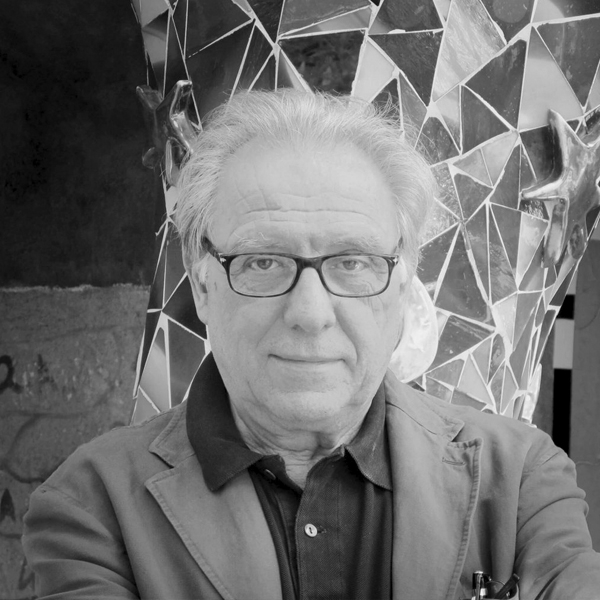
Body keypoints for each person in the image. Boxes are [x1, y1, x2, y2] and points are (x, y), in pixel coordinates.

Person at [23, 90, 600, 600]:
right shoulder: (94, 503)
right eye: (263, 262)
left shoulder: (521, 478)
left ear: (402, 290)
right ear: (202, 287)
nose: (310, 314)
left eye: (353, 262)